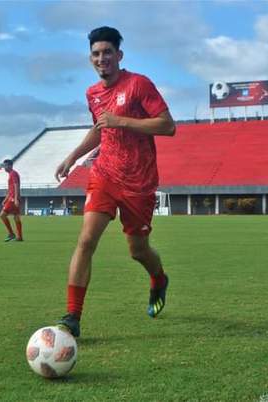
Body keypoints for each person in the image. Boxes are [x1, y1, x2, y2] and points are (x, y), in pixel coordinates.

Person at [54, 26, 176, 337]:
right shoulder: (92, 93)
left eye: (107, 52)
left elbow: (167, 125)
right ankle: (73, 317)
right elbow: (99, 128)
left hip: (139, 182)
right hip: (105, 174)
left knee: (137, 250)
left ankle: (158, 279)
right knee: (85, 240)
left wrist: (121, 120)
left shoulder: (138, 84)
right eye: (95, 53)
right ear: (90, 58)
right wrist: (73, 156)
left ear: (119, 55)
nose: (101, 58)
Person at [0, 159, 23, 242]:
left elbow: (16, 186)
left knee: (2, 215)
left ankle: (11, 233)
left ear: (10, 165)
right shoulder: (11, 174)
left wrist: (15, 198)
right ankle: (19, 237)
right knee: (16, 217)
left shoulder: (13, 173)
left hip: (13, 199)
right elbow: (11, 189)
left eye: (5, 165)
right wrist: (5, 199)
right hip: (12, 197)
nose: (4, 167)